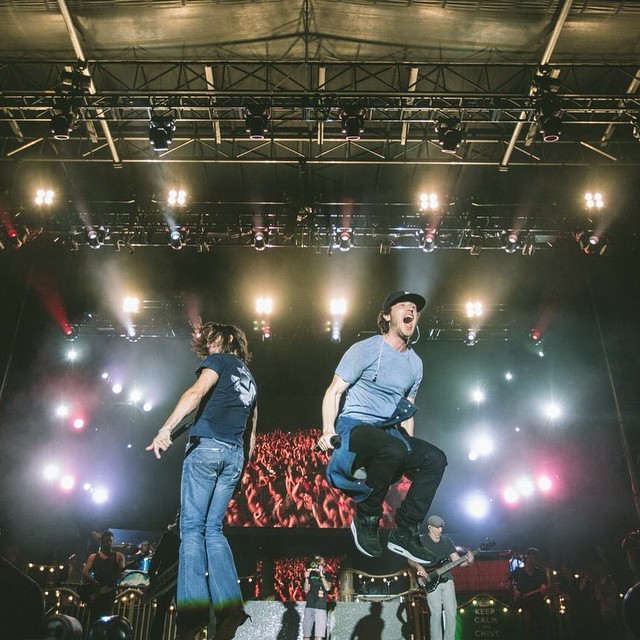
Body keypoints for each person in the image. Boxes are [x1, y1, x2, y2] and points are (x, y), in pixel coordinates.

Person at [317, 290, 447, 562]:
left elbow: (405, 411)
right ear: (388, 315)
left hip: (388, 432)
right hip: (354, 426)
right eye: (403, 306)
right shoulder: (364, 350)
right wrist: (328, 430)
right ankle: (366, 517)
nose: (410, 310)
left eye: (414, 308)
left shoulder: (415, 364)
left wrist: (409, 452)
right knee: (391, 447)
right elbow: (334, 391)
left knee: (436, 458)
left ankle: (406, 531)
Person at [147, 322, 258, 640]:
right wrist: (240, 472)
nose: (209, 346)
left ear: (225, 341)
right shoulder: (250, 379)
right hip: (233, 457)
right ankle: (230, 607)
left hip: (207, 448)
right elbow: (252, 434)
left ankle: (192, 613)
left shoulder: (220, 361)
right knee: (213, 531)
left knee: (191, 530)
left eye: (213, 341)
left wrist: (165, 429)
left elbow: (196, 392)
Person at [409, 515, 473, 640]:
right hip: (430, 580)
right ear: (429, 527)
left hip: (447, 579)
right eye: (437, 528)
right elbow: (410, 559)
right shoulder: (421, 540)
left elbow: (457, 562)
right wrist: (418, 566)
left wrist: (469, 562)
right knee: (436, 614)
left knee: (451, 613)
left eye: (441, 528)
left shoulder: (447, 541)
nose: (440, 530)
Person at [81, 530, 126, 628]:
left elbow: (122, 573)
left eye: (110, 541)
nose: (109, 543)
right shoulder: (93, 557)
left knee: (106, 620)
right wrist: (93, 581)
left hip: (109, 592)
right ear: (101, 542)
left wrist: (120, 574)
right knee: (93, 620)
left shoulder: (118, 556)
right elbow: (85, 572)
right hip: (96, 591)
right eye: (106, 541)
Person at [510, 547, 551, 640]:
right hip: (523, 603)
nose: (533, 560)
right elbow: (509, 582)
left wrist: (544, 591)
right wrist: (515, 590)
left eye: (535, 558)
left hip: (538, 604)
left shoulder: (540, 573)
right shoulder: (519, 572)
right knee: (525, 628)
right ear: (527, 557)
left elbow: (545, 589)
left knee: (540, 627)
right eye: (531, 557)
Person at [302, 555, 332, 640]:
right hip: (310, 606)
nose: (318, 564)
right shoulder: (311, 574)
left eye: (320, 562)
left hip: (321, 607)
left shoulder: (328, 576)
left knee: (319, 636)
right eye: (317, 562)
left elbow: (328, 588)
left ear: (324, 564)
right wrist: (307, 578)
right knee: (306, 635)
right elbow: (306, 590)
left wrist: (322, 576)